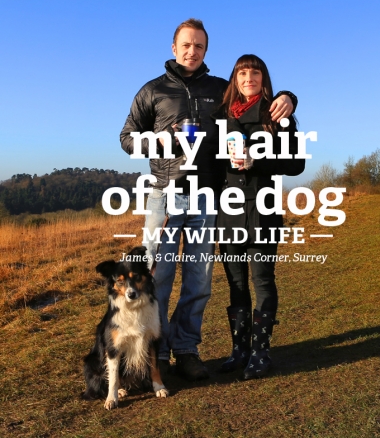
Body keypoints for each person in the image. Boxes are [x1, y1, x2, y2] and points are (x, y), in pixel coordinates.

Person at [120, 19, 296, 381]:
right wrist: (157, 142)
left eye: (199, 46)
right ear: (173, 48)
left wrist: (289, 98)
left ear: (205, 50)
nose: (192, 51)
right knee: (160, 279)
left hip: (209, 198)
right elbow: (126, 138)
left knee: (198, 282)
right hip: (165, 196)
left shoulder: (219, 89)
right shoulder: (152, 91)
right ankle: (156, 355)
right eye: (186, 45)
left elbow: (255, 98)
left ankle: (186, 350)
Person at [212, 54, 305, 380]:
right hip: (229, 212)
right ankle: (240, 350)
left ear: (263, 79)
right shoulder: (221, 117)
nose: (248, 77)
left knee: (262, 281)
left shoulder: (276, 114)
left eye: (255, 73)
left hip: (263, 211)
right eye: (242, 73)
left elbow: (296, 164)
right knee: (235, 284)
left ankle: (261, 353)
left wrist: (257, 157)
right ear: (234, 81)